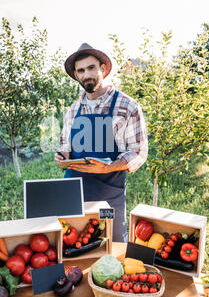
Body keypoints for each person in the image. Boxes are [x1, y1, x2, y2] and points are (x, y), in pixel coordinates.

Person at [55, 43, 148, 242]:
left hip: (108, 195)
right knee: (73, 247)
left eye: (91, 68)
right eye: (81, 70)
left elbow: (138, 152)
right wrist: (63, 156)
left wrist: (109, 167)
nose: (86, 74)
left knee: (110, 246)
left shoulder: (127, 106)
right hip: (73, 194)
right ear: (76, 75)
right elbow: (65, 145)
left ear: (103, 69)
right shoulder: (73, 110)